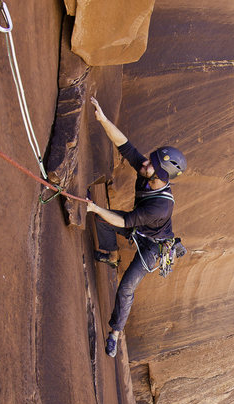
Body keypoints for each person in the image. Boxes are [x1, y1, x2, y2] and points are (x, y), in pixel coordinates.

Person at [87, 97, 187, 358]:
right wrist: (104, 120)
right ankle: (110, 254)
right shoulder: (148, 173)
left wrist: (97, 208)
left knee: (127, 287)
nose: (143, 163)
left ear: (160, 177)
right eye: (148, 160)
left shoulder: (160, 207)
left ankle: (115, 334)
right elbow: (126, 147)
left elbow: (124, 221)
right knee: (101, 220)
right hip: (139, 228)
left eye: (149, 164)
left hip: (152, 246)